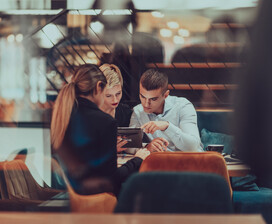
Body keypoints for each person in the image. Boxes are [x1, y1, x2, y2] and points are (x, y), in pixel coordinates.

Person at [51, 64, 150, 195]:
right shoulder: (104, 122)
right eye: (107, 94)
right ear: (99, 87)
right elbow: (112, 180)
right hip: (96, 200)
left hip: (64, 195)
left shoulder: (61, 114)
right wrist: (137, 160)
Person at [130, 69, 203, 152]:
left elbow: (192, 147)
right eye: (143, 97)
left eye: (153, 99)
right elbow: (129, 144)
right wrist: (146, 147)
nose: (146, 104)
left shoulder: (183, 106)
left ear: (166, 95)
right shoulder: (138, 111)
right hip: (161, 161)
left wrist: (167, 126)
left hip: (191, 161)